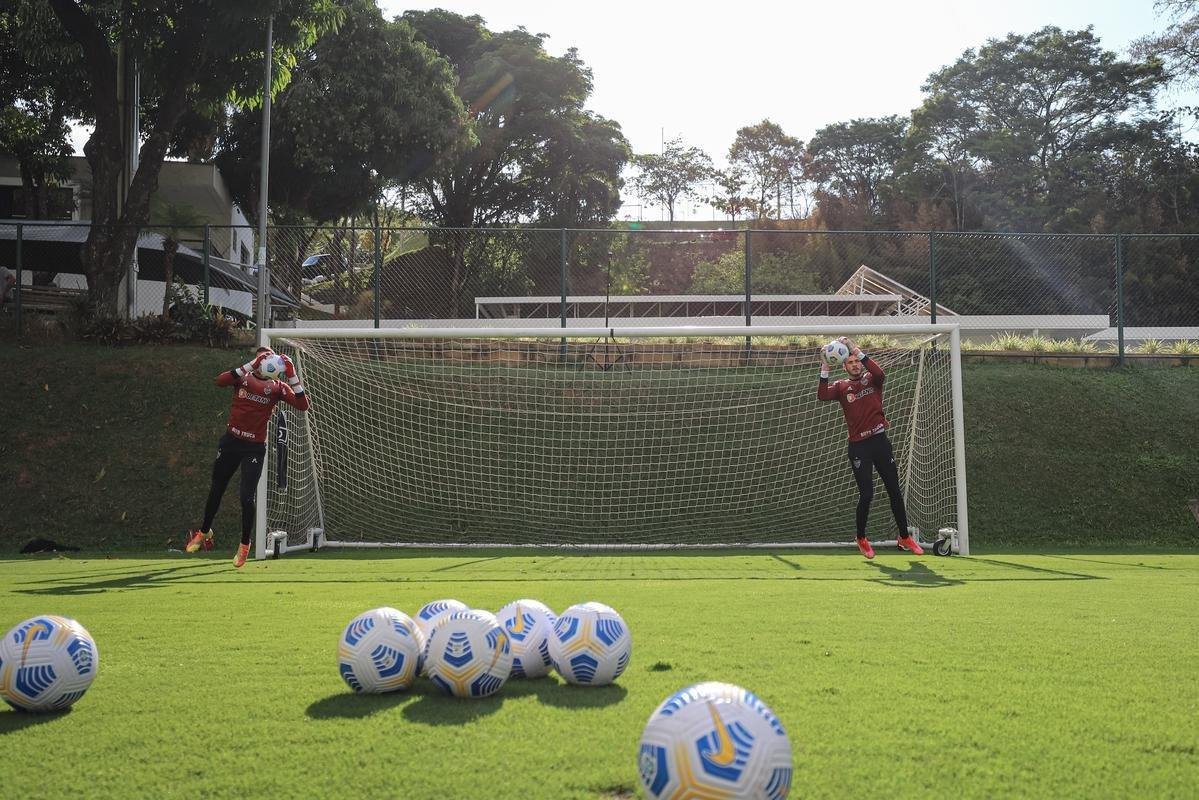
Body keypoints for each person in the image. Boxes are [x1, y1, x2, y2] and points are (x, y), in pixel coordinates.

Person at [186, 347, 310, 567]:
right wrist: (250, 365)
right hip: (231, 442)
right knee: (217, 488)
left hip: (254, 448)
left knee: (246, 497)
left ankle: (244, 545)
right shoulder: (242, 377)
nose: (266, 363)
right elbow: (219, 381)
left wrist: (291, 374)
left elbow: (303, 405)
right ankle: (204, 531)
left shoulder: (278, 387)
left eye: (269, 359)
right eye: (262, 359)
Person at [817, 336, 923, 559]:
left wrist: (856, 349)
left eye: (857, 361)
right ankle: (861, 538)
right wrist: (825, 366)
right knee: (867, 495)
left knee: (894, 490)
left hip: (880, 442)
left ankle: (904, 537)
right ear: (844, 365)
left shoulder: (872, 380)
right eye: (850, 362)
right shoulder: (841, 387)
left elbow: (880, 374)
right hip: (858, 447)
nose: (855, 364)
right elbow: (822, 395)